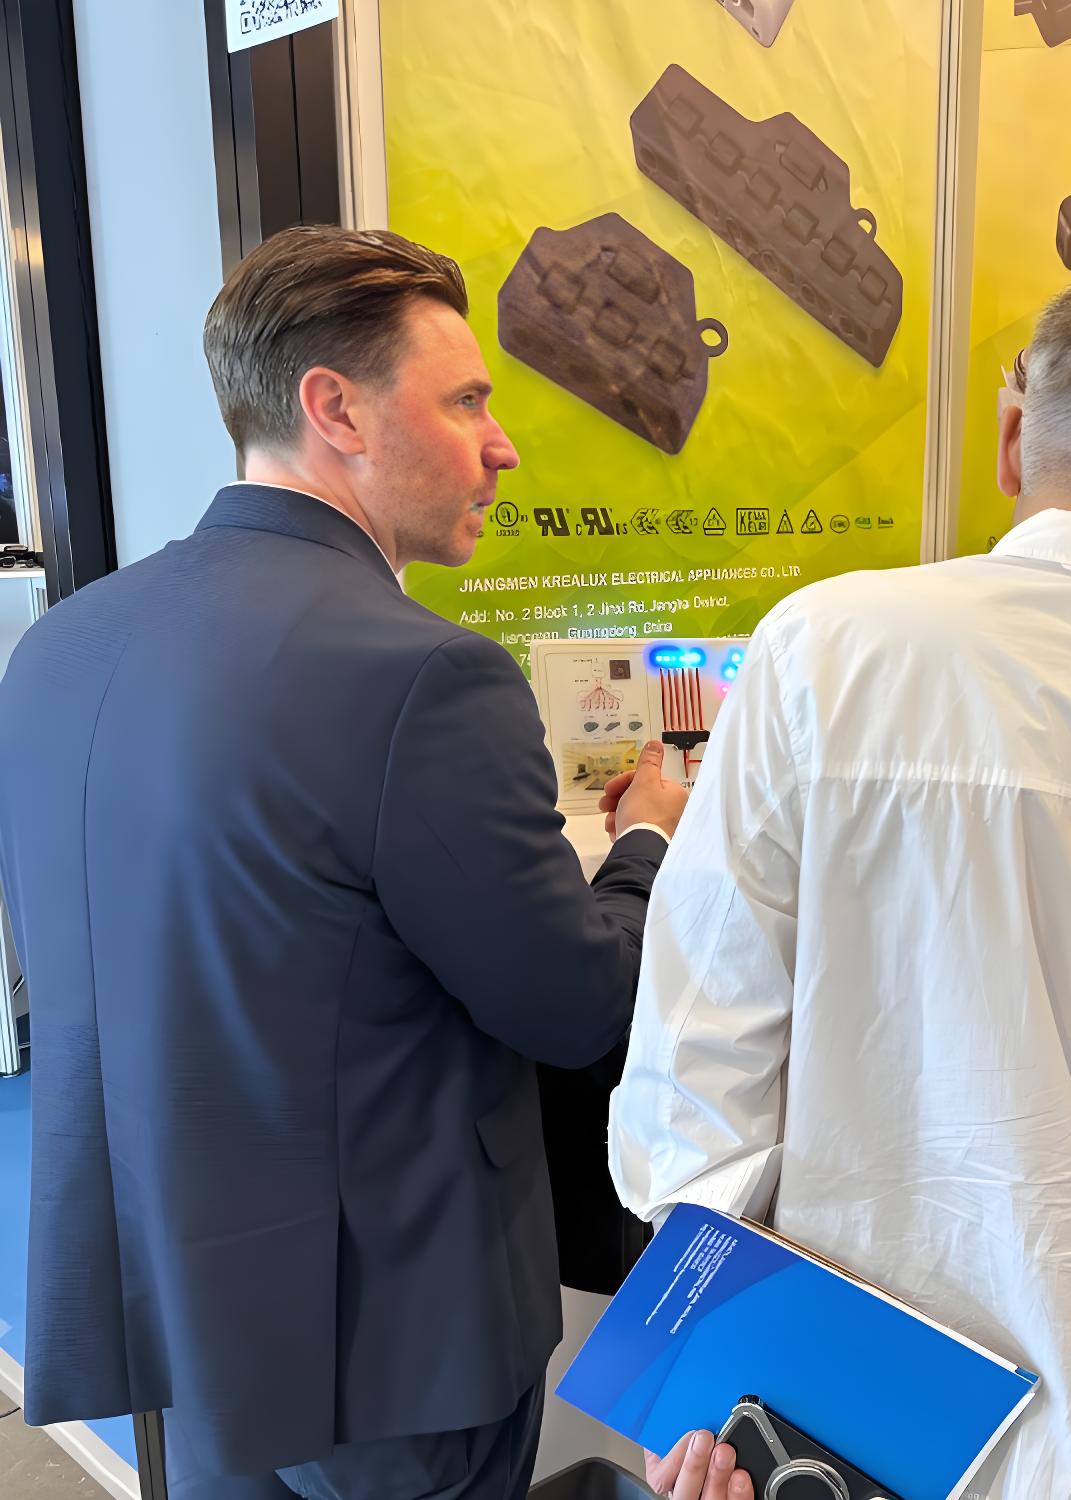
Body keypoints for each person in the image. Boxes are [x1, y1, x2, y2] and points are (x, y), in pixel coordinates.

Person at [606, 267, 1071, 1499]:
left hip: (811, 1382)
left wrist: (682, 1374)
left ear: (1010, 438)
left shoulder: (824, 648)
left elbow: (700, 1034)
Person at [0, 226, 684, 1500]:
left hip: (176, 1308)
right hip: (388, 1351)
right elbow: (574, 1003)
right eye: (467, 400)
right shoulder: (423, 676)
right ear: (336, 410)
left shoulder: (60, 649)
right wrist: (647, 839)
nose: (501, 445)